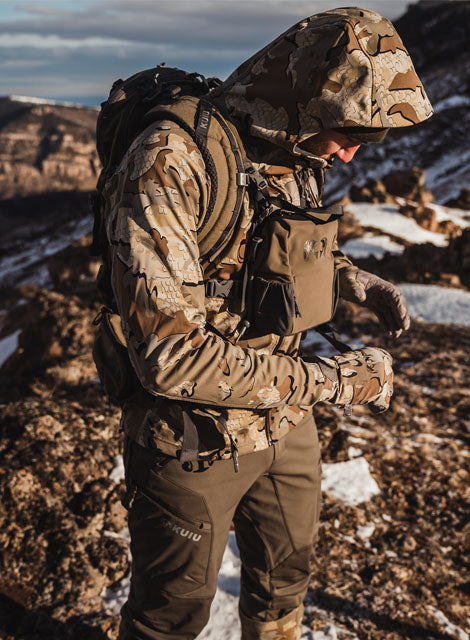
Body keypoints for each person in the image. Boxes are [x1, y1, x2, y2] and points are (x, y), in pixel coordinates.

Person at [99, 7, 432, 639]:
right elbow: (172, 356)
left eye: (374, 135)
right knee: (169, 617)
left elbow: (259, 244)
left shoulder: (293, 145)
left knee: (284, 583)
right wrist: (332, 383)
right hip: (190, 438)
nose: (357, 150)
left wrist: (345, 278)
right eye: (352, 128)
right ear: (305, 96)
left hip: (283, 423)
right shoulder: (169, 160)